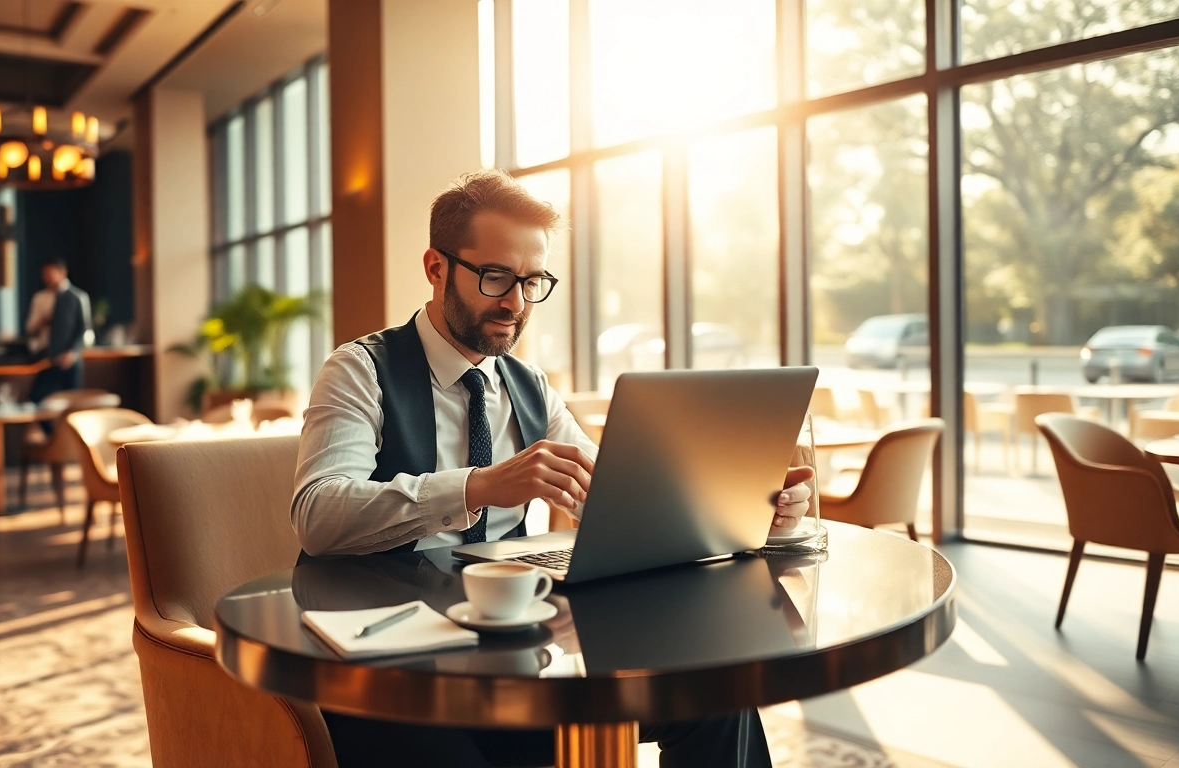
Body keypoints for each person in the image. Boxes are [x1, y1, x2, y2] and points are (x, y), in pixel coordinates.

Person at [292, 170, 813, 768]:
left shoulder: (530, 389)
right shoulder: (360, 369)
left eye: (531, 281)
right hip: (388, 673)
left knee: (716, 694)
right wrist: (480, 485)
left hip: (509, 657)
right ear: (436, 268)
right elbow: (318, 512)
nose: (515, 302)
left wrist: (743, 508)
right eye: (495, 277)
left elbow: (621, 496)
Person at [27, 259, 91, 426]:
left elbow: (84, 328)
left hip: (70, 359)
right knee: (38, 398)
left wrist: (72, 352)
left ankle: (71, 444)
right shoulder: (41, 297)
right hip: (48, 358)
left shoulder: (78, 296)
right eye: (44, 274)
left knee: (71, 404)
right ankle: (53, 437)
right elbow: (30, 330)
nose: (46, 277)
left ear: (62, 272)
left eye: (49, 273)